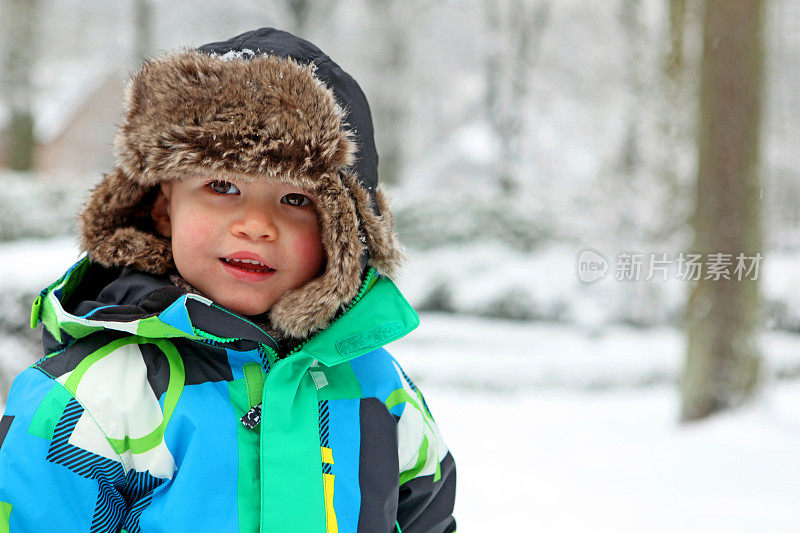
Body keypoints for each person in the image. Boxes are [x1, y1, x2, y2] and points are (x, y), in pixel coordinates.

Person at [0, 28, 456, 532]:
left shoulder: (379, 389)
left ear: (341, 233)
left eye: (296, 199)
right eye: (223, 186)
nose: (256, 224)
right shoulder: (98, 394)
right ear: (163, 207)